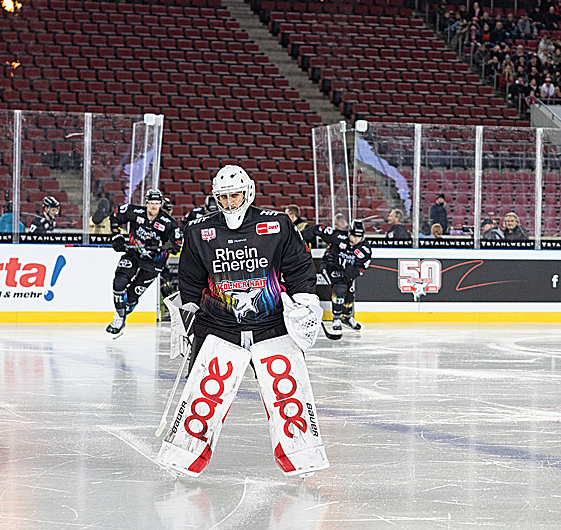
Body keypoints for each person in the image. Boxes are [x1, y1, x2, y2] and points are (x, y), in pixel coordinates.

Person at [158, 164, 328, 478]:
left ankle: (303, 456)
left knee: (287, 389)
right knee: (203, 393)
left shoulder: (276, 224)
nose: (230, 203)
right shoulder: (199, 231)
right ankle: (182, 457)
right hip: (217, 327)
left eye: (235, 195)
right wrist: (186, 320)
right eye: (223, 198)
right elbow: (190, 279)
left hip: (272, 326)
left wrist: (306, 299)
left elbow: (298, 265)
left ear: (248, 191)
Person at [106, 189, 180, 337]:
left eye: (157, 203)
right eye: (151, 203)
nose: (153, 206)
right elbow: (115, 216)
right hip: (134, 253)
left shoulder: (168, 223)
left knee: (133, 295)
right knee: (118, 283)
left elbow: (177, 243)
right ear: (146, 203)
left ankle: (122, 315)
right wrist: (117, 236)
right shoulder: (135, 211)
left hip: (154, 263)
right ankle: (119, 318)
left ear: (161, 204)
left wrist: (166, 244)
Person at [317, 219, 372, 335]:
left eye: (359, 236)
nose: (356, 239)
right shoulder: (339, 237)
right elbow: (320, 230)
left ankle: (347, 316)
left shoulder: (365, 250)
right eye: (353, 235)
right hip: (330, 268)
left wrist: (344, 266)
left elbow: (358, 271)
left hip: (346, 272)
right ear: (349, 233)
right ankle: (336, 317)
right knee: (340, 288)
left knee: (350, 292)